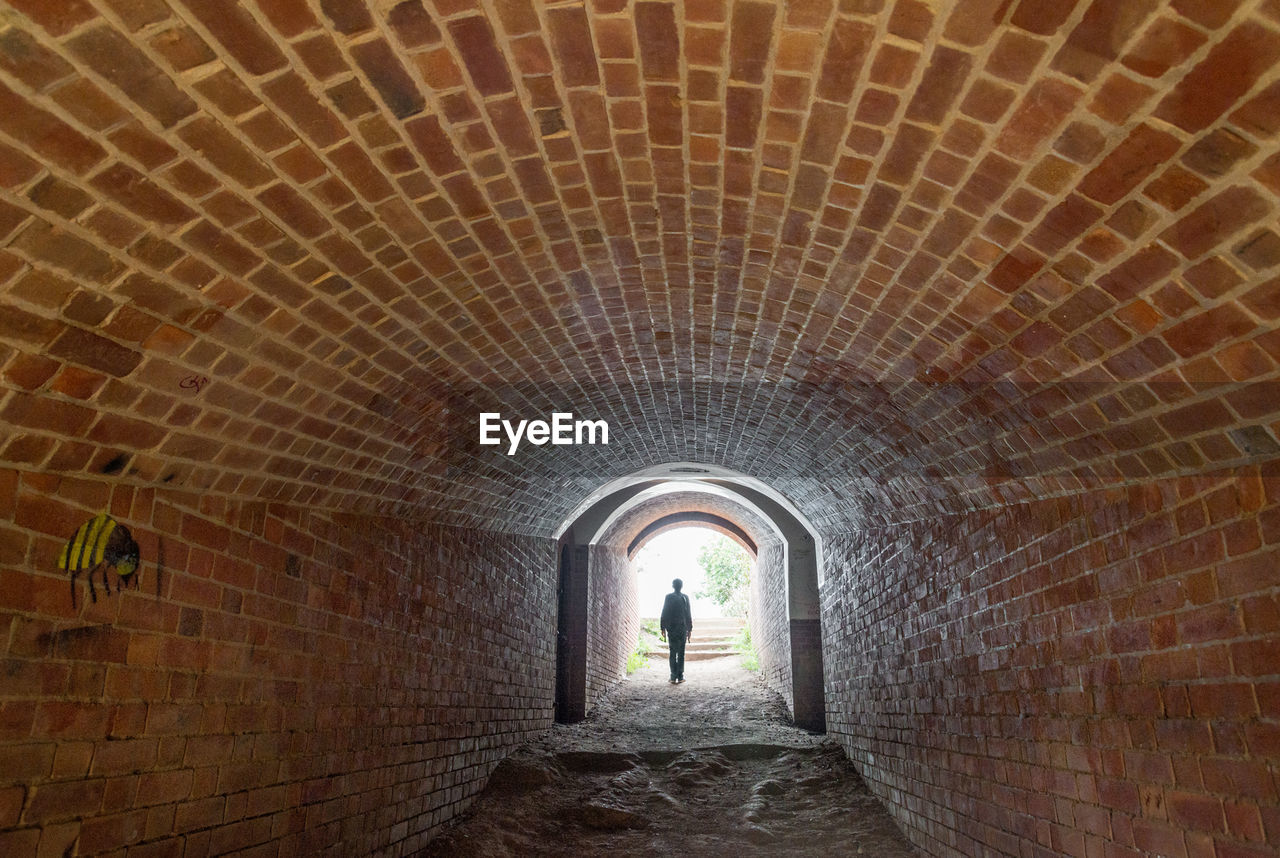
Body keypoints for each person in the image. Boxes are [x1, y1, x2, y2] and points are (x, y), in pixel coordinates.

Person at [659, 578, 693, 684]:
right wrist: (689, 629)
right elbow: (688, 614)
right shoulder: (684, 597)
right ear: (680, 586)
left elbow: (664, 612)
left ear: (673, 586)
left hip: (674, 629)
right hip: (679, 629)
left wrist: (663, 627)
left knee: (673, 652)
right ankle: (679, 676)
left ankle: (674, 677)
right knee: (680, 653)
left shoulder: (670, 597)